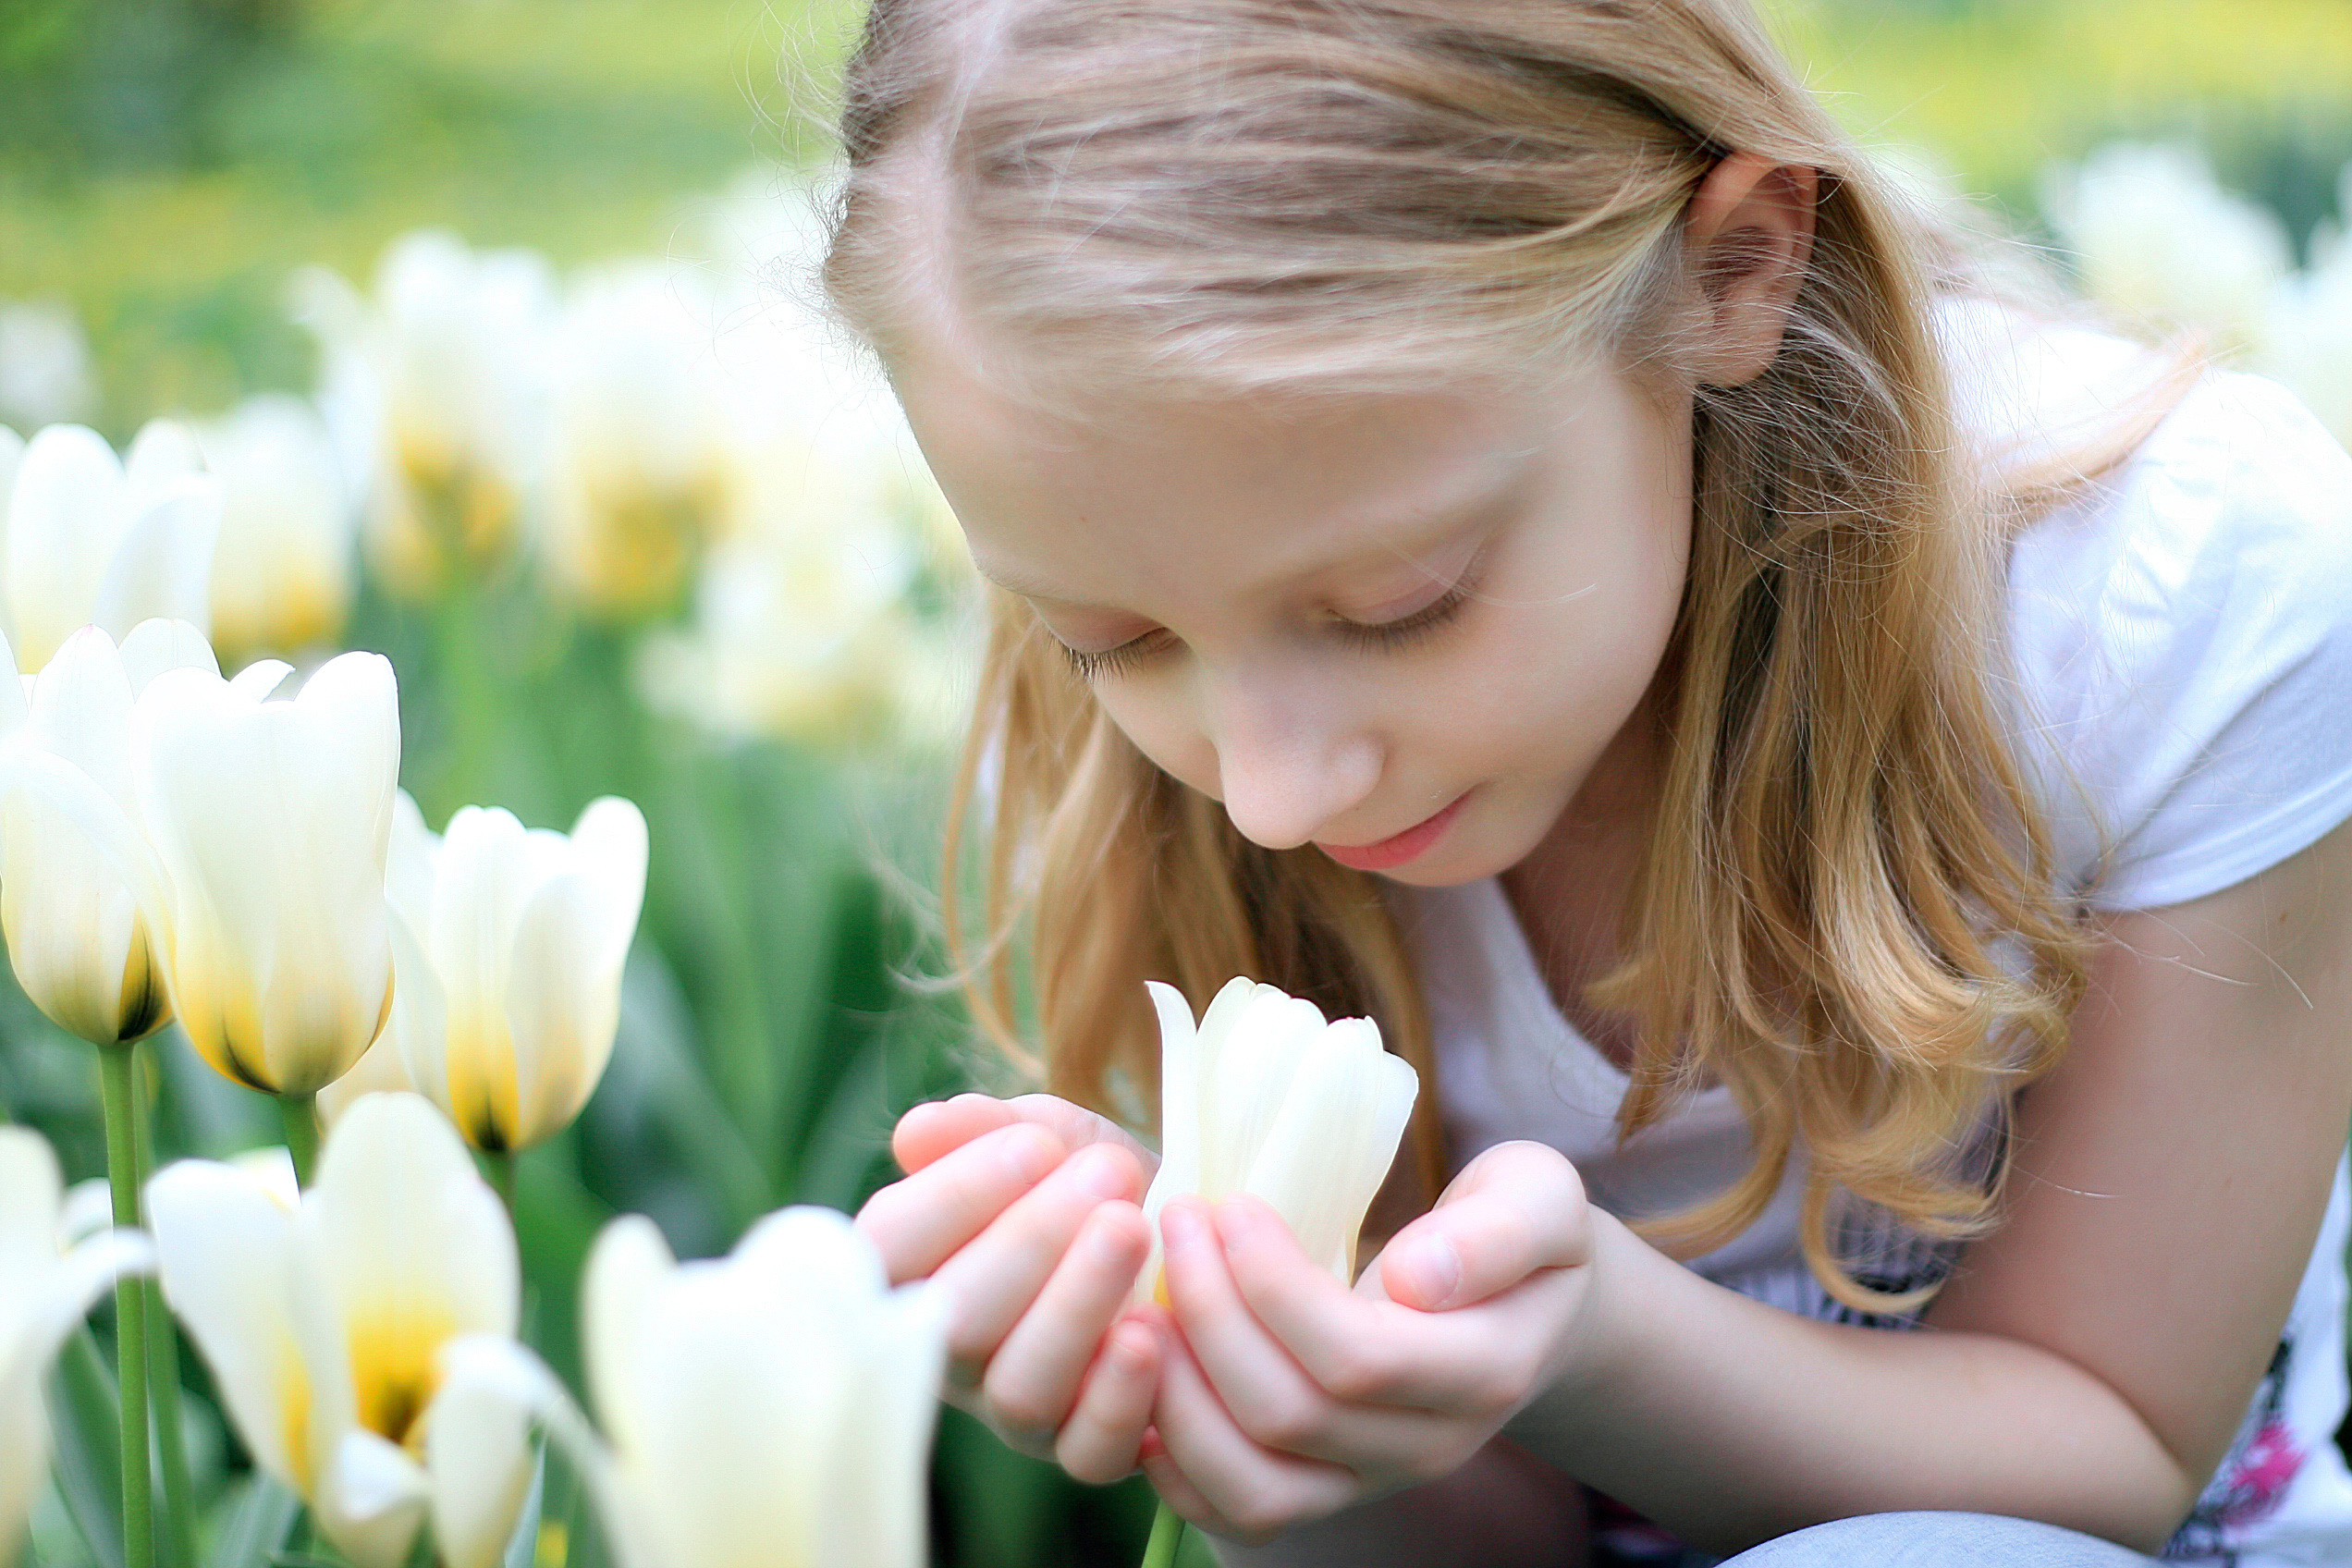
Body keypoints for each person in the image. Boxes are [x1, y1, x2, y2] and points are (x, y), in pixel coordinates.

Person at [830, 2, 2352, 1562]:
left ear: (1734, 271)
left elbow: (2110, 1457)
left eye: (1400, 603)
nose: (1275, 798)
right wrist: (1254, 1381)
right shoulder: (1155, 718)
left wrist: (1593, 1338)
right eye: (1116, 641)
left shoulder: (2154, 601)